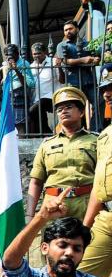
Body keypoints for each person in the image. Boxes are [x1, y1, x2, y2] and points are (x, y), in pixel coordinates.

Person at [27, 87, 96, 225]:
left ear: (81, 112)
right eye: (59, 109)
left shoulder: (96, 141)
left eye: (69, 107)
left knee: (88, 245)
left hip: (86, 204)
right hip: (52, 204)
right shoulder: (46, 145)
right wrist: (29, 215)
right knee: (54, 244)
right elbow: (36, 182)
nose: (63, 111)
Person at [80, 69, 112, 277]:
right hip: (106, 219)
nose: (107, 94)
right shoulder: (104, 136)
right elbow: (98, 187)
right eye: (104, 90)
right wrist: (84, 230)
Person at [56, 20, 100, 130]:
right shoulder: (61, 45)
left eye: (70, 29)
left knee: (99, 102)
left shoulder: (87, 43)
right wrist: (84, 60)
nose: (68, 32)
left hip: (89, 80)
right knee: (76, 108)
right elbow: (66, 62)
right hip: (72, 82)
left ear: (77, 29)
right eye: (65, 30)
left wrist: (95, 59)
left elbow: (96, 56)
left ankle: (96, 129)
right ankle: (79, 130)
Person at [1, 44, 36, 132]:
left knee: (20, 123)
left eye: (12, 55)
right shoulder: (6, 65)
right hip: (9, 95)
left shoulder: (24, 63)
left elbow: (29, 84)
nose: (10, 58)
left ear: (17, 54)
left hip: (20, 95)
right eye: (8, 56)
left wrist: (16, 69)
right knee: (9, 123)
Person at [29, 42, 57, 134]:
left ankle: (47, 132)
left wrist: (59, 67)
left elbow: (62, 80)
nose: (36, 56)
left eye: (39, 53)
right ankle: (47, 134)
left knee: (33, 110)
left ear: (45, 52)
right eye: (34, 54)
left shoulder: (53, 62)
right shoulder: (31, 67)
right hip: (37, 99)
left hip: (52, 97)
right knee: (37, 115)